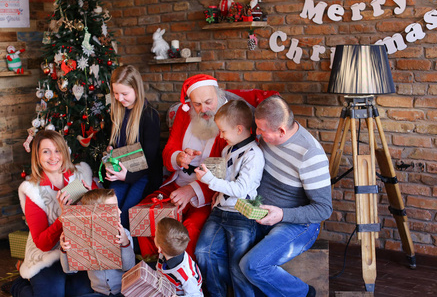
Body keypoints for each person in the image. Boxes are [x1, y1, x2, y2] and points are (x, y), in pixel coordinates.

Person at [239, 96, 333, 297]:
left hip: (298, 224)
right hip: (262, 214)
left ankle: (304, 293)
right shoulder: (269, 136)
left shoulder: (310, 155)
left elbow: (323, 209)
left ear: (281, 130)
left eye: (262, 130)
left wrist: (281, 214)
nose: (257, 133)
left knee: (253, 266)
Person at [137, 74, 232, 260]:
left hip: (207, 192)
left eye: (208, 102)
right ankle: (154, 273)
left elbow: (225, 171)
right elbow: (168, 151)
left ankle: (185, 282)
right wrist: (178, 157)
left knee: (190, 230)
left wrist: (191, 190)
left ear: (218, 96)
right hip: (177, 183)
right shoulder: (183, 112)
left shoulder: (229, 117)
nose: (203, 109)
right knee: (144, 216)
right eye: (197, 104)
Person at [193, 100, 264, 297]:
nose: (220, 135)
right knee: (203, 252)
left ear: (239, 128)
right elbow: (226, 178)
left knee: (237, 267)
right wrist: (213, 181)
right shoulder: (228, 149)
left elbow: (241, 189)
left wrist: (209, 180)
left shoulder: (254, 155)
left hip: (241, 214)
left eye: (223, 131)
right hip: (220, 211)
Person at [11, 130, 94, 297]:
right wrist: (64, 216)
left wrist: (89, 197)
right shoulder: (33, 190)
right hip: (47, 253)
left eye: (57, 150)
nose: (53, 157)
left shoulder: (80, 175)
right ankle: (18, 286)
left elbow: (98, 214)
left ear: (64, 151)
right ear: (37, 156)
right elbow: (43, 244)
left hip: (77, 249)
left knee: (84, 292)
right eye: (46, 151)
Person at [105, 65, 162, 229]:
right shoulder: (116, 113)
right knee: (112, 211)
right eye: (116, 93)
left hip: (143, 175)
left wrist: (127, 177)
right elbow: (115, 146)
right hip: (120, 171)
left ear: (137, 89)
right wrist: (110, 151)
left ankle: (129, 251)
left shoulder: (149, 116)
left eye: (124, 94)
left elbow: (149, 158)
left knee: (127, 214)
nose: (119, 98)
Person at [60, 188, 135, 297]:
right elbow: (69, 271)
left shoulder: (124, 234)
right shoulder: (80, 235)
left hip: (124, 291)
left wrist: (125, 243)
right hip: (99, 293)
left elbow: (129, 267)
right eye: (113, 208)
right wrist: (64, 250)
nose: (119, 211)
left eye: (117, 207)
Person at [154, 217, 203, 297]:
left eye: (155, 234)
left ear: (159, 248)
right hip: (167, 289)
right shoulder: (165, 253)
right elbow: (159, 272)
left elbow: (195, 295)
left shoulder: (185, 274)